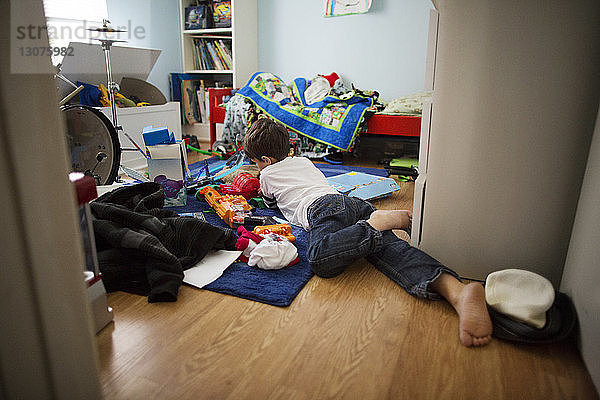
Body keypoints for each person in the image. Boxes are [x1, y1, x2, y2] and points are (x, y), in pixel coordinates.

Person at [243, 118, 493, 347]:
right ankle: (456, 290)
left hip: (321, 210)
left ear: (266, 160)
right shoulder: (304, 162)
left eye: (255, 161)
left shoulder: (266, 174)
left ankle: (375, 225)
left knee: (320, 258)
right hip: (348, 202)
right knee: (391, 249)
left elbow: (270, 204)